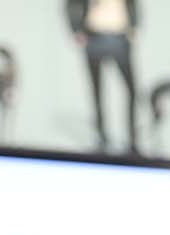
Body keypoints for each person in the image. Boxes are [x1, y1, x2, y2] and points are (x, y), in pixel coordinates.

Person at [65, 0, 138, 155]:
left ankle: (132, 140)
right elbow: (71, 4)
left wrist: (134, 25)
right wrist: (76, 29)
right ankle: (101, 137)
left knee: (132, 91)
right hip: (94, 37)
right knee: (97, 91)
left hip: (119, 37)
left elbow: (132, 4)